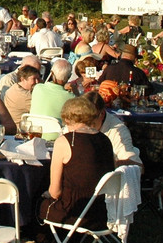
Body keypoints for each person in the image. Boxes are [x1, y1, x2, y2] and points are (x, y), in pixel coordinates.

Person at [39, 96, 115, 229]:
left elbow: (55, 192)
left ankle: (43, 239)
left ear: (67, 119)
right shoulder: (105, 140)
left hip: (74, 211)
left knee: (38, 202)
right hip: (103, 212)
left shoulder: (65, 141)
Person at [30, 58, 75, 123]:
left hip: (35, 127)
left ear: (51, 73)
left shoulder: (37, 88)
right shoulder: (71, 97)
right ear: (69, 76)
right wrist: (76, 91)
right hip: (57, 129)